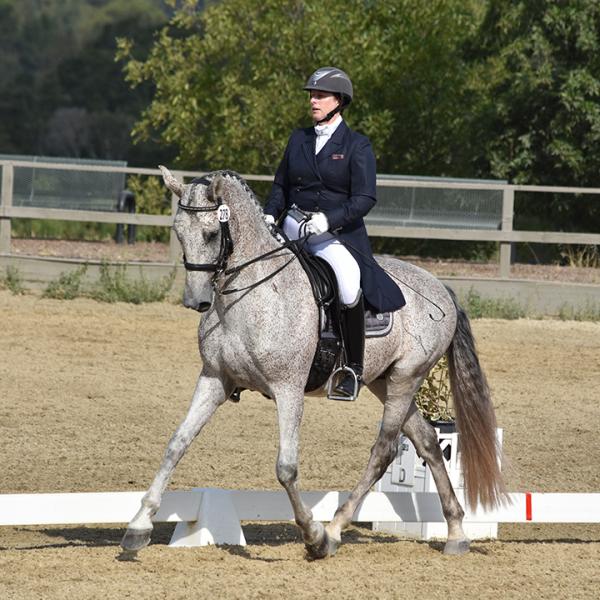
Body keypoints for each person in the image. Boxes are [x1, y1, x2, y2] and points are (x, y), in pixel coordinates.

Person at [264, 66, 405, 399]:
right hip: (291, 227)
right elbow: (281, 184)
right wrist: (270, 215)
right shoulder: (298, 138)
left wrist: (328, 220)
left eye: (320, 95)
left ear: (339, 101)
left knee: (347, 279)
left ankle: (352, 369)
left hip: (334, 235)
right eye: (311, 94)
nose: (313, 100)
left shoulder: (357, 145)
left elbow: (365, 198)